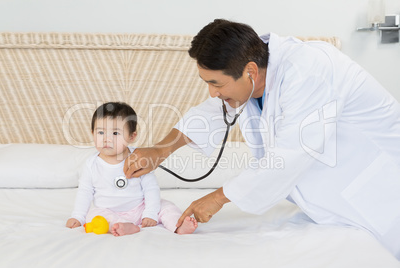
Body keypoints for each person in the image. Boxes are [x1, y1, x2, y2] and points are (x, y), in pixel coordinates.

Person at [123, 19, 400, 259]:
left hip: (383, 190)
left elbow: (290, 154)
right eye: (206, 82)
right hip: (336, 202)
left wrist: (220, 197)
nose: (211, 92)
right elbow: (211, 112)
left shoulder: (309, 71)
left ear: (251, 72)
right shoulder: (249, 80)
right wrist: (161, 149)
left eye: (216, 84)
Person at [66, 102, 197, 236]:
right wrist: (78, 216)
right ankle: (122, 225)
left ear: (131, 136)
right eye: (100, 132)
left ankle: (178, 225)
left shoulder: (139, 157)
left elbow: (150, 188)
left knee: (167, 206)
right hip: (109, 211)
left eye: (115, 133)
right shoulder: (91, 164)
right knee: (94, 216)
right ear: (93, 133)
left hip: (141, 208)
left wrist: (150, 213)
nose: (107, 139)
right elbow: (85, 192)